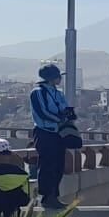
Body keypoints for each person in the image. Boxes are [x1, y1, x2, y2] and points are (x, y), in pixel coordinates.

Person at [29, 62, 72, 209]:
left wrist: (69, 117)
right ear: (51, 78)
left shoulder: (58, 93)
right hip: (45, 132)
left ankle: (54, 196)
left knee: (58, 165)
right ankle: (47, 197)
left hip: (59, 134)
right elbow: (42, 112)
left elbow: (66, 109)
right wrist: (60, 119)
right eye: (58, 76)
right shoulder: (38, 92)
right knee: (47, 165)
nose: (60, 79)